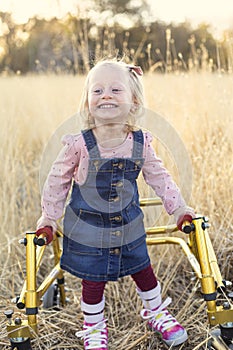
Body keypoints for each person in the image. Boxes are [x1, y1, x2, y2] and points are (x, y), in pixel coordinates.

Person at [36, 59, 195, 349]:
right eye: (97, 90)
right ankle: (94, 327)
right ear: (86, 103)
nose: (105, 95)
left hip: (129, 224)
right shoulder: (79, 144)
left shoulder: (140, 142)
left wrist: (179, 208)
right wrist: (49, 217)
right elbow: (57, 180)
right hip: (88, 229)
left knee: (142, 268)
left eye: (114, 89)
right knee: (93, 279)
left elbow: (159, 176)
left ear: (134, 102)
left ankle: (155, 310)